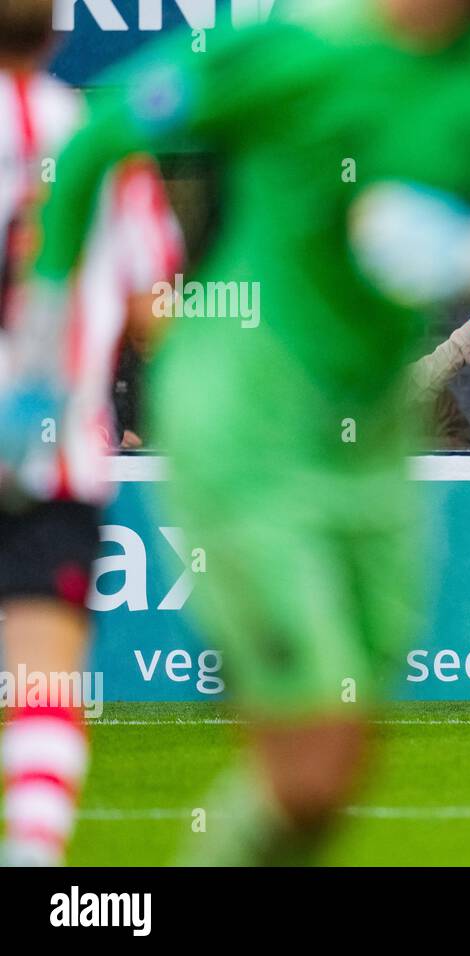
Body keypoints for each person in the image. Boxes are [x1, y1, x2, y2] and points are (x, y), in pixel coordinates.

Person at [1, 0, 470, 865]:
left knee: (324, 781)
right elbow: (98, 137)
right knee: (308, 745)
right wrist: (40, 357)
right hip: (243, 426)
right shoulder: (291, 46)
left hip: (370, 444)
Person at [0, 0, 182, 865]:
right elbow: (156, 312)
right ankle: (34, 860)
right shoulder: (103, 144)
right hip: (54, 457)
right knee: (40, 681)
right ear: (61, 30)